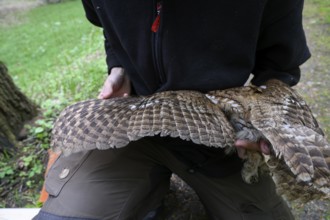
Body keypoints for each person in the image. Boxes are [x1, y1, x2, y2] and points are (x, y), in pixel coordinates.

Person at [34, 0, 310, 219]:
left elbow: (279, 65)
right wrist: (118, 65)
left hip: (221, 132)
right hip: (133, 121)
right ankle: (148, 192)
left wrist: (264, 118)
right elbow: (107, 23)